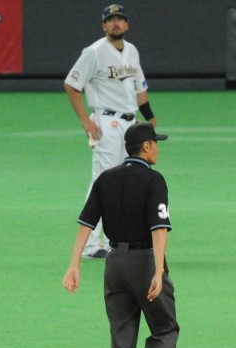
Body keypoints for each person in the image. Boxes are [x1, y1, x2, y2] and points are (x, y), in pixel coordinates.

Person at [62, 122, 179, 348]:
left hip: (114, 265)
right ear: (147, 147)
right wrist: (158, 270)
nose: (158, 147)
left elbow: (86, 225)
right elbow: (159, 229)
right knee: (166, 330)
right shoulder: (154, 181)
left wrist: (74, 265)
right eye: (156, 142)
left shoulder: (106, 179)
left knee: (122, 339)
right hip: (143, 263)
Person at [65, 4, 159, 257]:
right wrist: (86, 120)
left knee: (125, 179)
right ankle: (90, 244)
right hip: (106, 123)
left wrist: (148, 118)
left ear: (127, 25)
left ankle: (111, 241)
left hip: (130, 123)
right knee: (103, 179)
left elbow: (140, 89)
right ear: (104, 26)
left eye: (120, 19)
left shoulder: (132, 51)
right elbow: (72, 85)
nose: (116, 23)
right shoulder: (94, 52)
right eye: (111, 20)